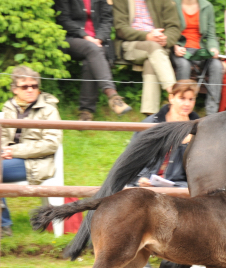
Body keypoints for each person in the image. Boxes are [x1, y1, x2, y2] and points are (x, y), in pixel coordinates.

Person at [129, 80, 199, 268]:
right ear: (171, 98)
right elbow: (134, 157)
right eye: (182, 98)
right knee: (135, 195)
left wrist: (188, 144)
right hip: (147, 179)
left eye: (191, 99)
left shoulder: (198, 129)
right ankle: (138, 253)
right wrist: (140, 178)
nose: (187, 103)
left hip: (180, 184)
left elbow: (199, 168)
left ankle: (178, 255)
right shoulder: (152, 123)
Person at [1, 66, 62, 237]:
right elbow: (4, 137)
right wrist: (5, 150)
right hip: (9, 158)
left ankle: (4, 226)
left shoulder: (49, 110)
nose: (30, 90)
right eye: (24, 86)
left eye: (34, 86)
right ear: (15, 89)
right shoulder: (9, 107)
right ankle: (4, 224)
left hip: (38, 163)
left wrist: (13, 151)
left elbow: (51, 144)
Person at [55, 0, 132, 121]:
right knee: (93, 50)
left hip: (97, 43)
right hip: (72, 39)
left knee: (90, 61)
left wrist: (99, 39)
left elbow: (107, 20)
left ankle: (86, 112)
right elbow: (63, 19)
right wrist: (85, 36)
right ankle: (112, 95)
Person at [112, 0, 180, 115]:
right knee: (153, 47)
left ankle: (150, 115)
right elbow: (120, 28)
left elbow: (174, 26)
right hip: (131, 44)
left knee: (151, 62)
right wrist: (147, 36)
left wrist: (165, 39)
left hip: (158, 47)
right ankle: (174, 94)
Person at [170, 0, 224, 115]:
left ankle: (212, 113)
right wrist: (175, 46)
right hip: (181, 50)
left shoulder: (206, 6)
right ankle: (181, 110)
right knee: (184, 65)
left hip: (200, 51)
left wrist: (213, 48)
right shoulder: (173, 4)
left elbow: (211, 35)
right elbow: (169, 29)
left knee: (217, 66)